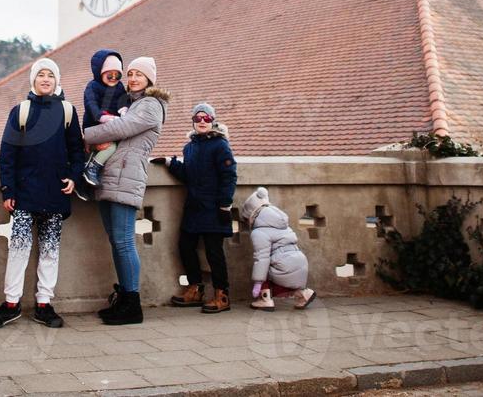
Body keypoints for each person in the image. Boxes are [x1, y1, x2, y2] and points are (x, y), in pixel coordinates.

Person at [0, 57, 84, 330]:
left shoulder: (68, 111)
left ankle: (44, 303)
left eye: (50, 75)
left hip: (56, 191)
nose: (46, 79)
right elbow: (8, 154)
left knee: (50, 250)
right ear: (33, 80)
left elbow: (78, 151)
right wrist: (8, 189)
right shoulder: (21, 111)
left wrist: (74, 177)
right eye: (41, 75)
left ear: (57, 80)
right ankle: (11, 303)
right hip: (25, 194)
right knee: (18, 248)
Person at [81, 55, 168, 326]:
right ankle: (124, 298)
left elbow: (120, 128)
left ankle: (132, 304)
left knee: (124, 241)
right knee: (116, 241)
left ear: (149, 79)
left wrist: (83, 135)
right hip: (112, 175)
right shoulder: (130, 103)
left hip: (127, 176)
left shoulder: (151, 105)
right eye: (129, 74)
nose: (132, 79)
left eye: (138, 74)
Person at [156, 102, 237, 313]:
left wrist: (225, 204)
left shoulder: (221, 145)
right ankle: (196, 289)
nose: (202, 122)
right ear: (193, 121)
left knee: (214, 252)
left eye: (206, 118)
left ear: (213, 121)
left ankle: (222, 294)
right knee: (185, 246)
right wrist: (170, 163)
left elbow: (229, 176)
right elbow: (188, 176)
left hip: (214, 207)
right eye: (198, 118)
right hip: (194, 207)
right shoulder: (189, 147)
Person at [240, 186, 316, 310]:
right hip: (300, 262)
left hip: (284, 266)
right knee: (283, 270)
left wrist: (258, 283)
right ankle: (304, 293)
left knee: (262, 266)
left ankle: (265, 299)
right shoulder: (283, 225)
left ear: (252, 215)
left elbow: (261, 258)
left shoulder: (259, 232)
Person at [78, 48, 128, 197]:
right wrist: (100, 116)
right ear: (100, 71)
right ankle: (92, 168)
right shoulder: (92, 86)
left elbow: (123, 99)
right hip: (94, 125)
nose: (113, 77)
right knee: (110, 147)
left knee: (115, 147)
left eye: (117, 74)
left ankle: (87, 179)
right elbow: (90, 103)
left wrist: (124, 109)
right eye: (109, 74)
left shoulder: (119, 87)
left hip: (112, 125)